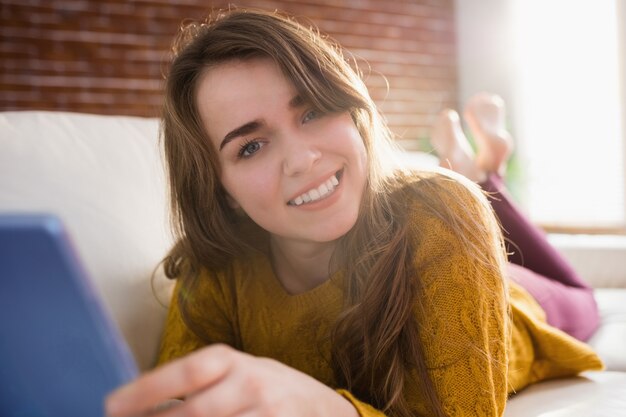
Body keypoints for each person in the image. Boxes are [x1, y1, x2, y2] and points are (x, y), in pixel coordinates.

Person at [105, 8, 603, 417]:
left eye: (313, 111)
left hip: (511, 303)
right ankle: (476, 167)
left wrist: (327, 408)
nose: (301, 159)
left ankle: (483, 174)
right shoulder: (213, 268)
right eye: (251, 146)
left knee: (585, 300)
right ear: (220, 188)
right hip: (447, 230)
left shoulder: (440, 215)